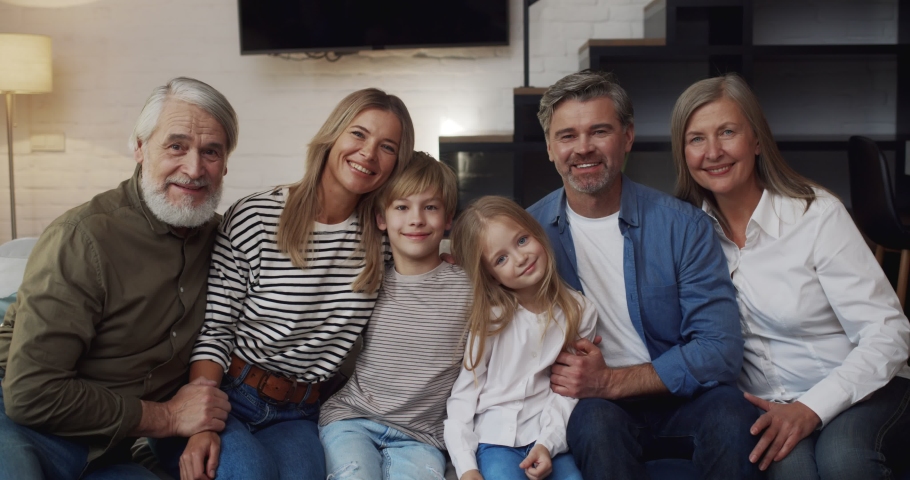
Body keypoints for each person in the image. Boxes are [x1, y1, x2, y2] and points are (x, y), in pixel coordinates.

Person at [154, 88, 415, 480]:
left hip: (300, 410)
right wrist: (201, 423)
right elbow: (216, 330)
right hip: (227, 393)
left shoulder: (386, 240)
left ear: (397, 163)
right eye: (358, 134)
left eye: (387, 146)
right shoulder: (256, 217)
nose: (368, 153)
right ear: (333, 136)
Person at [671, 73, 910, 479]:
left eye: (727, 132)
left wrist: (811, 408)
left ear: (757, 140)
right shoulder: (686, 234)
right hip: (768, 404)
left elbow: (888, 333)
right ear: (683, 152)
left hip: (864, 389)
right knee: (791, 472)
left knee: (844, 460)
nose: (713, 152)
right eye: (696, 139)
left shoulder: (817, 215)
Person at [526, 69, 761, 480]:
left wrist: (611, 381)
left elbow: (720, 349)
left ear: (627, 137)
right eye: (567, 136)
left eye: (600, 131)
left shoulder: (683, 227)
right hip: (598, 408)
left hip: (684, 396)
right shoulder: (528, 236)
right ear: (549, 146)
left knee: (734, 416)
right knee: (595, 424)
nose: (583, 149)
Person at [0, 77, 237, 479]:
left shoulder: (227, 241)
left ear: (226, 163)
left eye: (211, 152)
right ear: (140, 148)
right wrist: (166, 418)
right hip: (21, 425)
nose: (194, 169)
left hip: (111, 448)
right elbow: (30, 393)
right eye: (176, 146)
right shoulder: (82, 238)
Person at [318, 152, 472, 480]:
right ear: (381, 218)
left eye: (430, 207)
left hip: (422, 436)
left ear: (448, 218)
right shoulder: (367, 281)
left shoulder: (470, 286)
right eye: (402, 207)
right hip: (352, 419)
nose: (416, 219)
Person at [445, 195, 598, 480]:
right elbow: (463, 397)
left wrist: (547, 444)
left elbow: (566, 393)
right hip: (494, 442)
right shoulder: (490, 319)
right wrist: (467, 468)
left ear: (537, 233)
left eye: (522, 241)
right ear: (491, 276)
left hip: (548, 437)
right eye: (500, 259)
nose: (521, 258)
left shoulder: (580, 310)